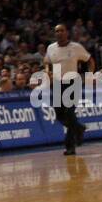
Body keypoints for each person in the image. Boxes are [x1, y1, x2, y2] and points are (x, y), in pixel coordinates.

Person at [43, 23, 90, 155]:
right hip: (58, 83)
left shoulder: (76, 47)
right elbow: (46, 61)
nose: (59, 33)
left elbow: (90, 60)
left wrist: (90, 75)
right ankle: (79, 129)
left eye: (62, 30)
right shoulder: (51, 48)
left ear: (67, 32)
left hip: (73, 83)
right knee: (59, 114)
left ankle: (70, 146)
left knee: (69, 113)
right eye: (57, 31)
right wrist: (47, 71)